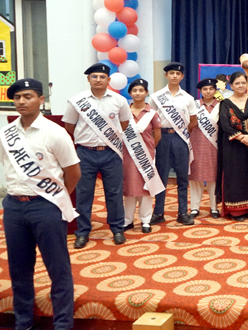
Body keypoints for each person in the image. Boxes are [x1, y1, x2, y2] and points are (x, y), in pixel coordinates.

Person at [1, 79, 81, 330]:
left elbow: (73, 173)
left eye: (28, 96)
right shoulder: (6, 134)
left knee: (58, 269)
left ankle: (62, 325)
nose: (22, 102)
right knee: (19, 269)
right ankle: (23, 323)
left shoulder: (55, 132)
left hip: (46, 207)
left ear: (41, 100)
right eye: (17, 98)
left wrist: (55, 198)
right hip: (13, 207)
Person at [64, 63, 132, 248]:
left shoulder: (119, 100)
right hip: (85, 153)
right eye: (94, 76)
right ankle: (83, 232)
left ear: (108, 80)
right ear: (88, 79)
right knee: (84, 194)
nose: (98, 80)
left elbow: (124, 124)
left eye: (102, 77)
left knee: (114, 193)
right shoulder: (77, 101)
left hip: (111, 153)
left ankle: (117, 229)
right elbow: (69, 127)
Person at [149, 62, 198, 226]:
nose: (174, 76)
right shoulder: (157, 96)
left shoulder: (188, 98)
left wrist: (182, 133)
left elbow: (193, 121)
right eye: (171, 73)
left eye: (178, 74)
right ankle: (158, 212)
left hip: (180, 138)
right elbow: (150, 118)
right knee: (161, 175)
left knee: (182, 177)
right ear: (166, 76)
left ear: (182, 76)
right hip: (162, 138)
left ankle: (182, 212)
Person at [216, 71, 248, 221]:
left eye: (243, 83)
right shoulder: (225, 103)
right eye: (237, 83)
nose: (241, 86)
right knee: (235, 176)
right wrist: (243, 139)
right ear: (231, 85)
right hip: (233, 147)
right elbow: (225, 125)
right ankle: (237, 211)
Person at [123, 79, 163, 234]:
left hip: (146, 155)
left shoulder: (152, 113)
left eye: (141, 90)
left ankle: (146, 220)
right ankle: (128, 220)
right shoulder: (124, 112)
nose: (138, 93)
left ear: (146, 93)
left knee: (147, 188)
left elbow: (157, 136)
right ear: (130, 93)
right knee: (129, 188)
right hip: (128, 156)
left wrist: (149, 149)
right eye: (134, 90)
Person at [189, 78, 220, 219]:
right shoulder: (193, 106)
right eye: (205, 89)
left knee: (214, 177)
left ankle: (214, 207)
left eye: (211, 88)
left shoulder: (221, 105)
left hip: (215, 145)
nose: (208, 91)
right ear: (200, 91)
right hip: (196, 144)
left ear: (215, 90)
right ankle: (195, 207)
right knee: (195, 177)